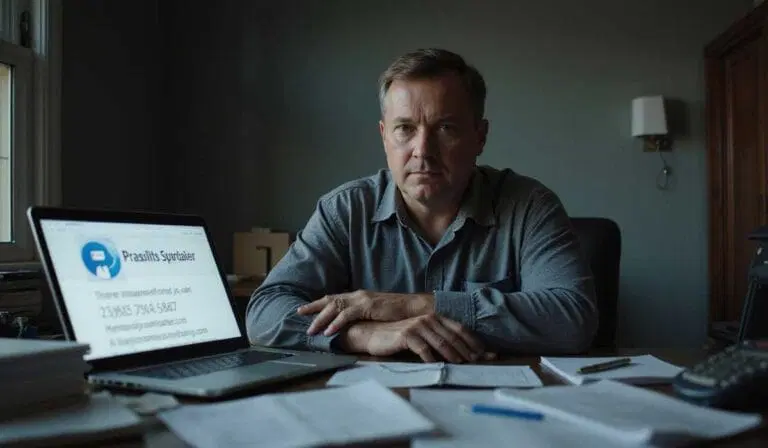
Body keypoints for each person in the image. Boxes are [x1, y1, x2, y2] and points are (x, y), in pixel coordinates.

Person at [245, 48, 598, 362]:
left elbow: (573, 318)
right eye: (405, 128)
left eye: (446, 128)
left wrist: (407, 305)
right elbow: (263, 313)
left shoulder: (530, 206)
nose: (423, 151)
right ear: (384, 136)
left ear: (480, 136)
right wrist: (365, 334)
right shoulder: (345, 210)